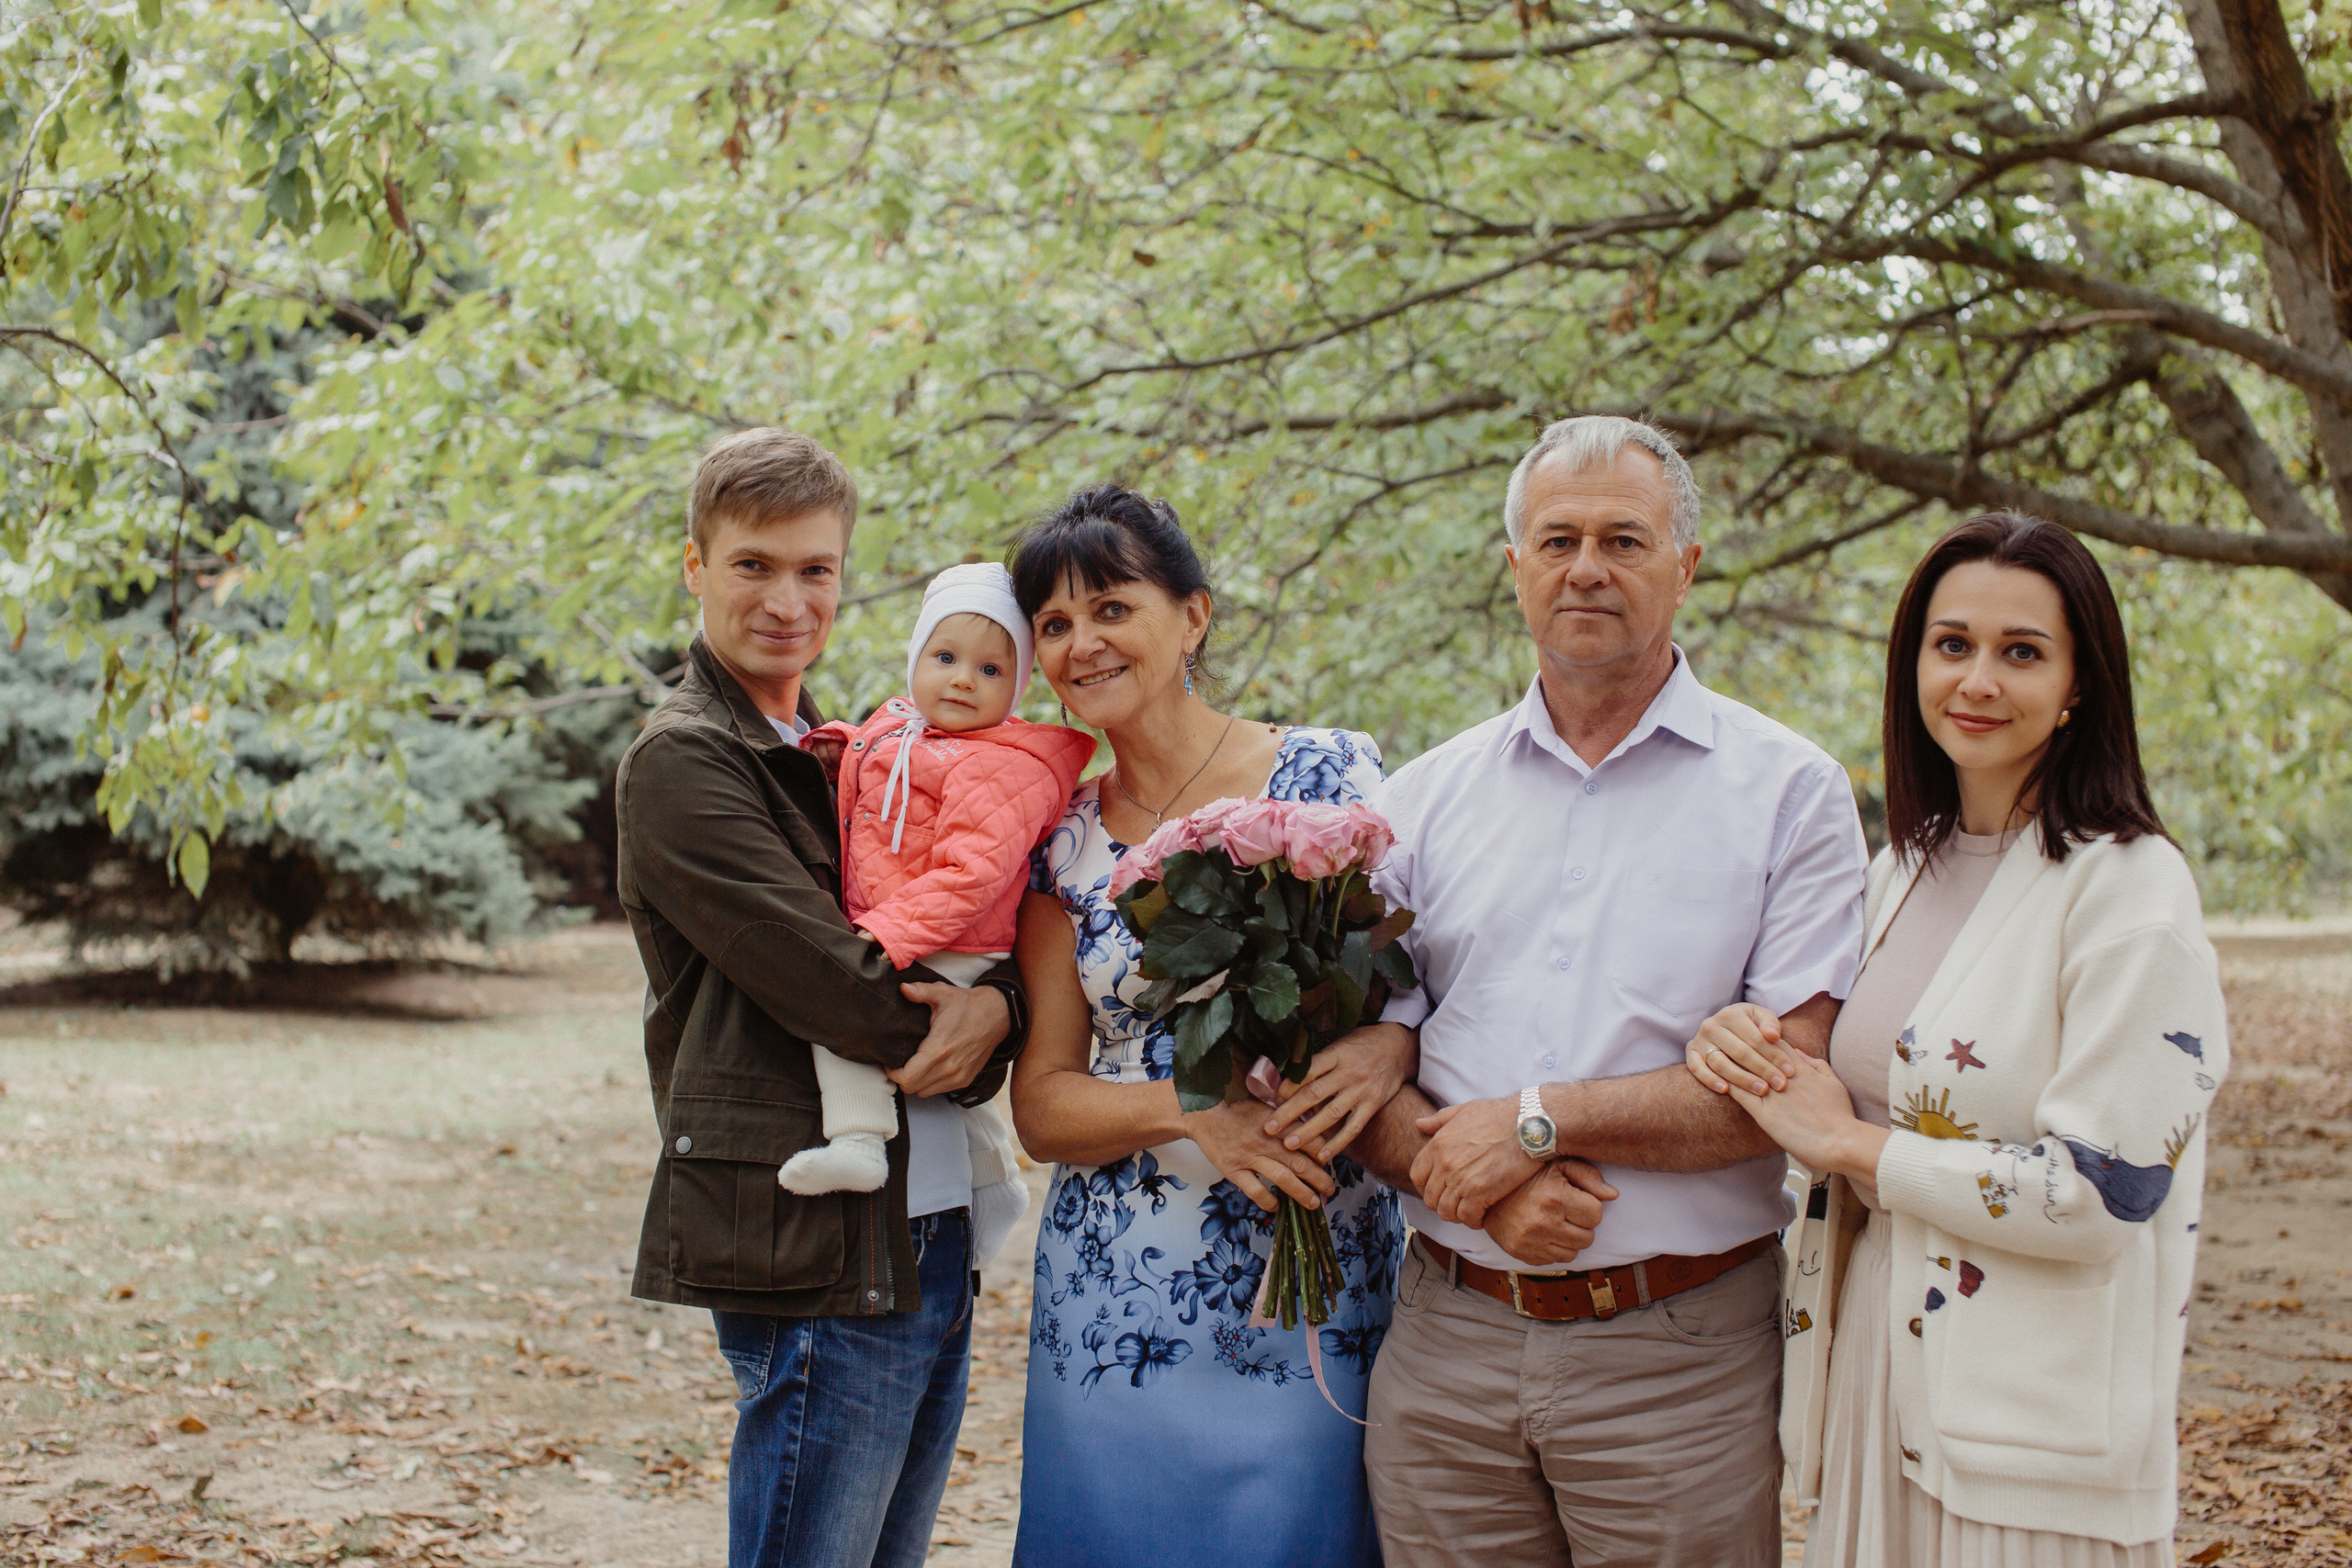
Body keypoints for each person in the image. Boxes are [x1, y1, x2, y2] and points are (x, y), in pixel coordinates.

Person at [1331, 414, 1871, 1568]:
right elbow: (1355, 1063)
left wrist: (1537, 1124)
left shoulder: (1790, 795)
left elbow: (1785, 1088)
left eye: (1624, 539)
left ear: (1685, 564)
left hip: (1680, 1354)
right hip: (1447, 1346)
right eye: (1557, 538)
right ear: (1513, 566)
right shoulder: (1421, 803)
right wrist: (1476, 1193)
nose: (1586, 567)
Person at [1686, 511, 2226, 1567]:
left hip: (2034, 1432)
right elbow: (1858, 1097)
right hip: (1876, 1386)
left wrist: (1850, 1148)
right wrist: (1742, 1046)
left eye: (2020, 652)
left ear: (2079, 682)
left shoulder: (2130, 891)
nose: (1978, 679)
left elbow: (2104, 1191)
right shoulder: (1898, 875)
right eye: (1952, 645)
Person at [614, 427, 1028, 1568]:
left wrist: (1002, 1005)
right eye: (752, 564)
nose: (787, 599)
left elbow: (972, 919)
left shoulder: (840, 745)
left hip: (924, 1222)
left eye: (816, 569)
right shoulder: (687, 761)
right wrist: (999, 1027)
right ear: (695, 566)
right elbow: (841, 991)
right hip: (814, 1243)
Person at [1003, 486, 1412, 1568]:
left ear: (1194, 615)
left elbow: (1439, 984)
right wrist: (1195, 1117)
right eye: (1053, 623)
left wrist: (1390, 1042)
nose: (1081, 642)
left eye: (1110, 607)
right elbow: (1042, 1103)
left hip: (1314, 1265)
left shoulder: (1336, 778)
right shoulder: (1059, 847)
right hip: (1117, 1297)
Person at [786, 563, 1092, 1283]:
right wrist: (840, 745)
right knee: (959, 1092)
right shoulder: (900, 727)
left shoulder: (1004, 766)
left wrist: (886, 935)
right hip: (911, 923)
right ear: (917, 658)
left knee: (839, 1011)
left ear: (1016, 688)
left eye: (989, 668)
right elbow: (878, 754)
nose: (962, 679)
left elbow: (972, 874)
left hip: (949, 939)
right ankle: (994, 1181)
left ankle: (860, 1138)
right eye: (945, 657)